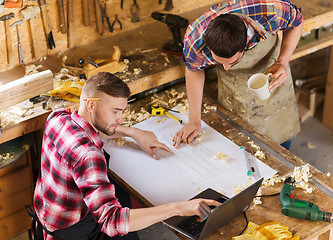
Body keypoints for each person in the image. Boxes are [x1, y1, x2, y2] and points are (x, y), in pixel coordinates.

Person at [30, 72, 220, 240]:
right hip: (72, 227)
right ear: (90, 105)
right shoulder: (89, 155)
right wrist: (177, 208)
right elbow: (111, 221)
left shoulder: (58, 117)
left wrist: (134, 133)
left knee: (121, 196)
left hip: (47, 211)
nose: (120, 119)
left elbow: (97, 128)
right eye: (115, 111)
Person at [173, 0, 304, 150]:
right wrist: (194, 119)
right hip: (236, 87)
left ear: (246, 41)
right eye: (219, 62)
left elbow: (297, 21)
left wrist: (283, 61)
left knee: (282, 139)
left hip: (274, 72)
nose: (226, 68)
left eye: (232, 62)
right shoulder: (195, 38)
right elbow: (193, 69)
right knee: (242, 144)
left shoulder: (270, 10)